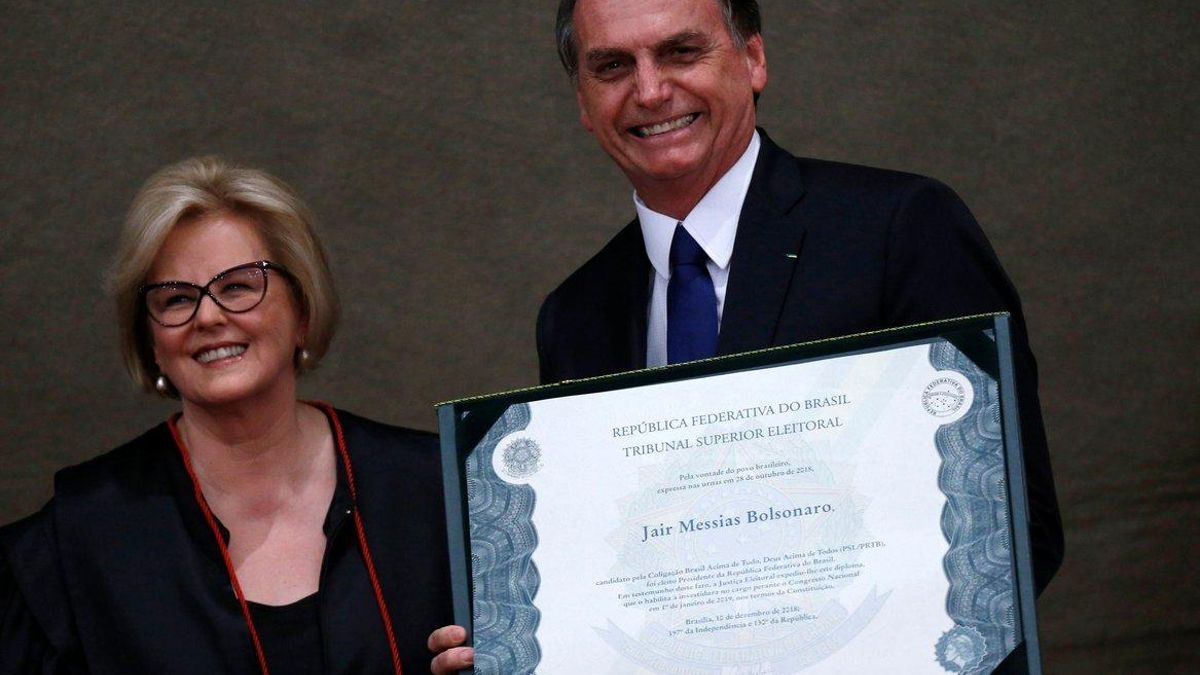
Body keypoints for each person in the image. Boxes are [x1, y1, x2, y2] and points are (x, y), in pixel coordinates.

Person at [430, 0, 1063, 672]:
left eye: (680, 52)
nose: (649, 90)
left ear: (753, 60)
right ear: (584, 101)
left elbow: (1012, 534)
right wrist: (510, 647)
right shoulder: (574, 314)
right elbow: (592, 575)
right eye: (613, 66)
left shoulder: (896, 230)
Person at [0, 157, 451, 674]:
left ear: (302, 310)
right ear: (151, 341)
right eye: (175, 299)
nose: (209, 316)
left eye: (238, 286)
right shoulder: (82, 532)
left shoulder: (436, 491)